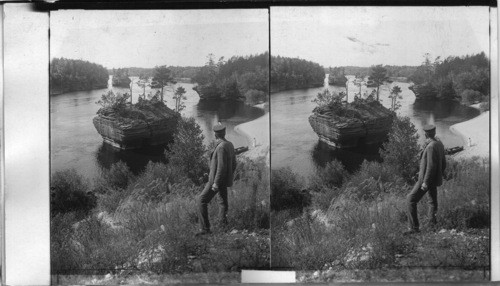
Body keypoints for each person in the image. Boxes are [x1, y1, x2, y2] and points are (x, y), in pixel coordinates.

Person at [405, 124, 446, 234]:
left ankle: (414, 228)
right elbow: (444, 163)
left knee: (410, 199)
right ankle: (432, 225)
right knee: (432, 202)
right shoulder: (439, 144)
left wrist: (425, 182)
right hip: (434, 179)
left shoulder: (431, 147)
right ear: (434, 132)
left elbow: (431, 166)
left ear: (426, 134)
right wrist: (439, 175)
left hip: (425, 180)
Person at [196, 124, 236, 236]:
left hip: (216, 180)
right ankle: (223, 226)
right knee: (223, 203)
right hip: (223, 179)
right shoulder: (230, 144)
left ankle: (205, 229)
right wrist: (229, 176)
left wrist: (216, 183)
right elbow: (234, 164)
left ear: (215, 135)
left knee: (201, 200)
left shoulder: (221, 147)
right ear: (224, 133)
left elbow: (221, 167)